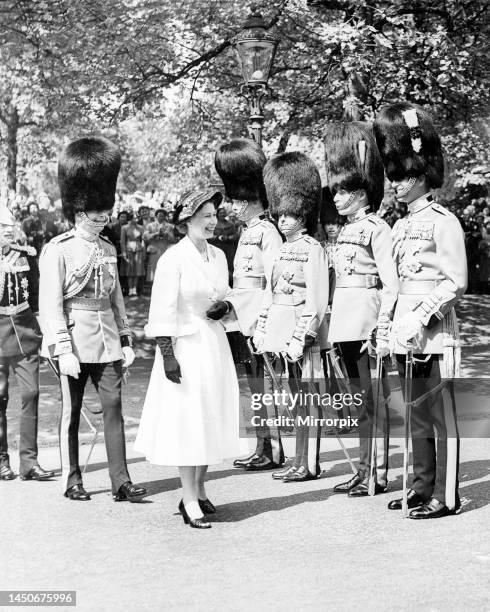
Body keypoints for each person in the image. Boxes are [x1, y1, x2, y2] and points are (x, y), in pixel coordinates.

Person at [38, 136, 147, 503]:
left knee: (114, 408)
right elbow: (50, 304)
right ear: (79, 211)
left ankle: (121, 480)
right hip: (72, 339)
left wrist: (127, 339)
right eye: (97, 211)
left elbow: (115, 299)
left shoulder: (107, 248)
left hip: (107, 341)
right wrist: (62, 347)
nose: (104, 216)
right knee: (71, 413)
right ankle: (73, 478)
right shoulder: (59, 248)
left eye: (106, 210)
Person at [374, 102, 467, 519]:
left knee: (439, 417)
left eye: (404, 176)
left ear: (423, 174)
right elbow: (393, 285)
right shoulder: (398, 226)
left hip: (433, 333)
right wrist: (387, 324)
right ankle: (419, 486)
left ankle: (446, 496)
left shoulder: (443, 221)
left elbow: (455, 281)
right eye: (394, 177)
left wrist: (421, 315)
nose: (396, 184)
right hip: (404, 333)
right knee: (414, 416)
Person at [135, 189, 242, 529]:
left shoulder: (219, 255)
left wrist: (225, 307)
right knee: (189, 422)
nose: (213, 221)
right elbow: (163, 311)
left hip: (213, 342)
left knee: (211, 416)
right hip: (184, 346)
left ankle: (200, 488)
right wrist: (168, 355)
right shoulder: (173, 259)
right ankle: (189, 500)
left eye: (214, 215)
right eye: (206, 215)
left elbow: (228, 294)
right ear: (188, 219)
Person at [325, 122, 399, 497]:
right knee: (360, 402)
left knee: (375, 402)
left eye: (344, 190)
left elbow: (391, 283)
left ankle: (377, 473)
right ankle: (363, 467)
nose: (336, 198)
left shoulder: (376, 228)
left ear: (361, 192)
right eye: (336, 190)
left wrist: (382, 326)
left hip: (367, 321)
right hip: (344, 324)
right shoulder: (343, 231)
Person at [253, 152, 329, 482]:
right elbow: (271, 295)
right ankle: (297, 459)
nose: (284, 220)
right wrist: (263, 328)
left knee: (307, 399)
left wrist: (303, 335)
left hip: (302, 335)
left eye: (291, 214)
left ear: (303, 214)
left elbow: (316, 300)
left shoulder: (313, 248)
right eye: (280, 214)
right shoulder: (279, 251)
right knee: (293, 401)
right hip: (281, 332)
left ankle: (308, 462)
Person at [214, 138, 284, 471]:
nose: (235, 205)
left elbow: (273, 281)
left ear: (254, 199)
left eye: (240, 200)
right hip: (242, 317)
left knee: (265, 385)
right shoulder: (247, 231)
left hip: (258, 318)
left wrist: (265, 321)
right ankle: (262, 444)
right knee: (253, 386)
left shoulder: (267, 231)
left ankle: (273, 448)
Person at [0, 203, 54, 481]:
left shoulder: (26, 257)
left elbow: (36, 299)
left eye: (9, 227)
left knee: (31, 394)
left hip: (24, 334)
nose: (7, 232)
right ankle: (1, 460)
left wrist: (46, 333)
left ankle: (29, 463)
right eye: (1, 228)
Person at [143, 208, 176, 283]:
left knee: (165, 269)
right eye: (159, 215)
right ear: (156, 216)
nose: (160, 217)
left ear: (165, 217)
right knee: (153, 269)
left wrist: (166, 234)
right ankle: (153, 287)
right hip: (154, 249)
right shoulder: (150, 225)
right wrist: (155, 234)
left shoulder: (170, 226)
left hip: (165, 249)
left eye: (162, 216)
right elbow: (145, 237)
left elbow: (173, 239)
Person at [120, 212, 145, 296]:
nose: (136, 219)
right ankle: (130, 289)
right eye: (134, 218)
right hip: (129, 249)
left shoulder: (141, 228)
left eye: (137, 218)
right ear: (130, 218)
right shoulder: (125, 227)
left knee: (137, 270)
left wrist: (143, 250)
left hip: (138, 250)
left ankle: (135, 289)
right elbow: (122, 241)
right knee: (129, 270)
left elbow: (143, 240)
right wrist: (123, 252)